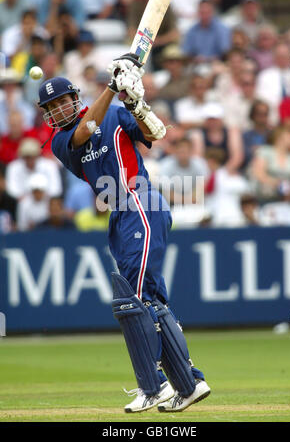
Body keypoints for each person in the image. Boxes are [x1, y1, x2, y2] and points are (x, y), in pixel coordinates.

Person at [37, 54, 210, 412]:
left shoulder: (115, 114)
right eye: (50, 107)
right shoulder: (61, 141)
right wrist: (113, 88)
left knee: (132, 301)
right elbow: (85, 130)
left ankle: (154, 385)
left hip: (141, 202)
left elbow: (155, 133)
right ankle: (189, 383)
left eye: (61, 102)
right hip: (120, 213)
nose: (57, 110)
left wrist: (134, 101)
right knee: (150, 300)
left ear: (75, 98)